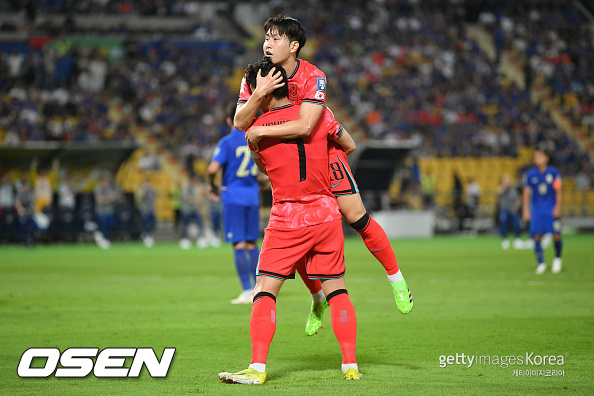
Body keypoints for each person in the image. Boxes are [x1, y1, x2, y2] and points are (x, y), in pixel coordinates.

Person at [233, 15, 413, 333]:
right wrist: (260, 95)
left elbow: (306, 126)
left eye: (275, 39)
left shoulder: (313, 75)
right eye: (266, 38)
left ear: (294, 46)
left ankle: (396, 280)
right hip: (289, 162)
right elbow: (238, 122)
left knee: (357, 217)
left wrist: (264, 131)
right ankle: (318, 298)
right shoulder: (254, 76)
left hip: (324, 156)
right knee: (296, 226)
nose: (267, 44)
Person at [219, 58, 361, 385]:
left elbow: (265, 170)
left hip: (288, 216)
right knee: (337, 290)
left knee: (265, 291)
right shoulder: (318, 115)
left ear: (264, 92)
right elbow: (349, 145)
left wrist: (257, 141)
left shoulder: (258, 130)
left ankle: (256, 368)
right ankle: (350, 365)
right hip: (326, 213)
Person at [207, 103, 261, 304]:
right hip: (252, 195)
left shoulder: (227, 142)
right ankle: (259, 288)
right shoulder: (256, 138)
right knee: (252, 243)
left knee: (238, 244)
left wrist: (212, 186)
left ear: (230, 120)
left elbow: (213, 169)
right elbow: (265, 171)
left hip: (233, 197)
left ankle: (247, 291)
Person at [522, 143, 563, 274]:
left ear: (546, 158)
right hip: (537, 210)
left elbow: (558, 191)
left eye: (539, 156)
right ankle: (541, 263)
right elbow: (526, 193)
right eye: (535, 156)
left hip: (551, 209)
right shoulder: (530, 174)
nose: (537, 159)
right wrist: (526, 210)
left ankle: (557, 259)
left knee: (556, 235)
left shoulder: (554, 173)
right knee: (536, 237)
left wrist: (558, 207)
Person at [179, 175, 207, 249]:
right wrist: (196, 200)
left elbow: (200, 198)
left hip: (195, 209)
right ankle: (184, 239)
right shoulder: (187, 187)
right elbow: (186, 197)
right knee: (186, 224)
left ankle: (201, 238)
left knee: (199, 223)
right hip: (187, 209)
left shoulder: (196, 187)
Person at [497, 174, 523, 250]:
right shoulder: (501, 188)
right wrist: (504, 187)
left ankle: (517, 239)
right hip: (504, 209)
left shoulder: (513, 189)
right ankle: (505, 239)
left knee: (516, 224)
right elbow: (498, 193)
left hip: (513, 209)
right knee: (504, 225)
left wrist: (518, 204)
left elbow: (517, 198)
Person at [94, 173, 118, 249]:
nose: (105, 183)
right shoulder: (98, 189)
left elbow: (113, 197)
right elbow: (99, 200)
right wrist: (108, 199)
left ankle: (101, 236)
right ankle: (103, 239)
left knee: (111, 224)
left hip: (109, 210)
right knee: (103, 225)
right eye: (103, 181)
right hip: (101, 210)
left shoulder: (109, 188)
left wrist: (105, 199)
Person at [136, 178, 157, 247]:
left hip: (151, 209)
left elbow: (156, 195)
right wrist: (145, 189)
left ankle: (149, 235)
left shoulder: (152, 189)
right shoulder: (141, 189)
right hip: (145, 209)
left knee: (153, 223)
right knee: (146, 223)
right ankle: (146, 236)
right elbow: (140, 197)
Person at [15, 180, 36, 246]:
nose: (26, 188)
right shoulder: (19, 194)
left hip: (30, 213)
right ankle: (23, 241)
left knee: (32, 226)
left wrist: (32, 211)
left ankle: (31, 240)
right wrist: (20, 209)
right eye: (25, 186)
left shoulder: (30, 194)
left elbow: (33, 204)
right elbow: (17, 204)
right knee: (22, 226)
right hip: (23, 213)